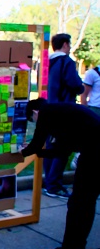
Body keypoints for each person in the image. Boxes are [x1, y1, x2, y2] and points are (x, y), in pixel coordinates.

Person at [21, 98, 100, 249]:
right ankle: (78, 246)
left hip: (94, 156)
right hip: (94, 153)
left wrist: (22, 152)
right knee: (87, 202)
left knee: (77, 204)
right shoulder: (61, 112)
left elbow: (36, 144)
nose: (35, 123)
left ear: (35, 113)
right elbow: (62, 150)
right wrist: (39, 153)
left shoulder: (47, 113)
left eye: (32, 120)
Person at [42, 33, 83, 199]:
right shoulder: (66, 62)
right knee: (62, 148)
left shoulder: (47, 63)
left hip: (47, 109)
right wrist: (79, 88)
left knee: (50, 146)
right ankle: (54, 185)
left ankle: (48, 182)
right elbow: (74, 84)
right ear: (65, 44)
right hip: (63, 111)